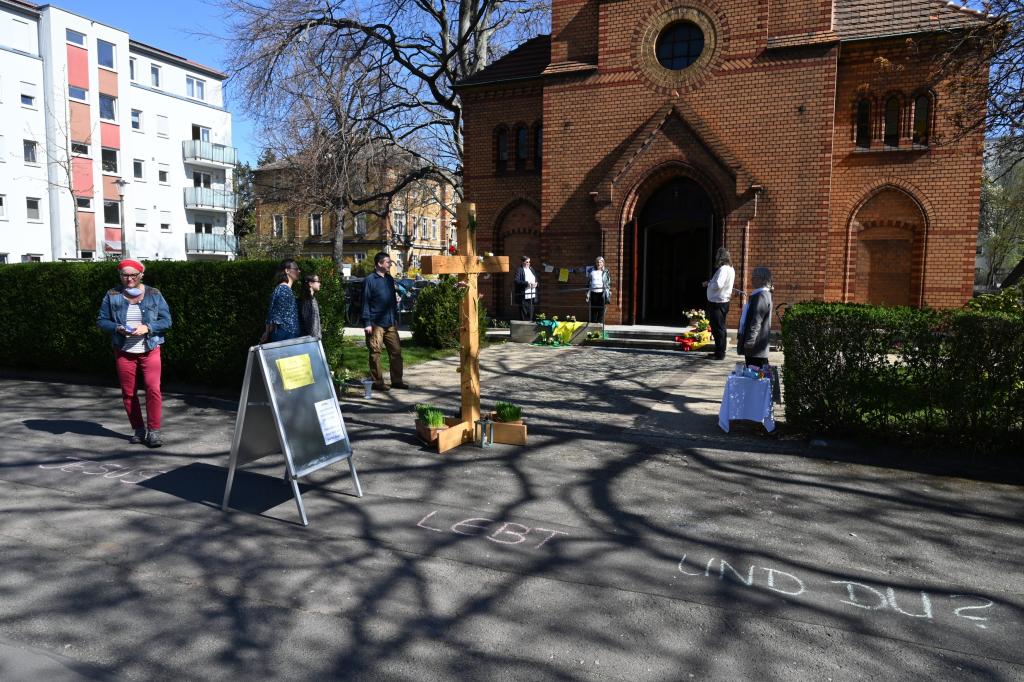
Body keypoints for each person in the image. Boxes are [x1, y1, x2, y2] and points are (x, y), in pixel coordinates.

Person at [96, 259, 173, 448]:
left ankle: (153, 432)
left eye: (133, 275)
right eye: (124, 275)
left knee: (153, 389)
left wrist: (148, 327)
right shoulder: (112, 295)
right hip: (124, 350)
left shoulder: (154, 294)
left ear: (141, 275)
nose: (129, 279)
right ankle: (139, 430)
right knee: (128, 393)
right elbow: (102, 320)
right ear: (120, 276)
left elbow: (167, 321)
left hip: (150, 348)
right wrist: (117, 328)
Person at [362, 252, 408, 391]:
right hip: (375, 323)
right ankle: (377, 382)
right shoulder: (369, 280)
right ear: (379, 264)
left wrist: (394, 318)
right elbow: (365, 302)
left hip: (390, 323)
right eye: (388, 262)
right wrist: (367, 323)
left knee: (396, 352)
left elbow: (392, 301)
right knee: (375, 353)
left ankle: (397, 380)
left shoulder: (389, 279)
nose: (390, 264)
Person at [703, 247, 736, 360]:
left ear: (720, 257)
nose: (716, 257)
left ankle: (720, 353)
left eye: (717, 255)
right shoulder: (731, 269)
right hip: (723, 301)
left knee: (718, 328)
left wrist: (709, 284)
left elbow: (718, 284)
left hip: (717, 302)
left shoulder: (723, 269)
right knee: (720, 328)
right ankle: (719, 351)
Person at [737, 266, 773, 368]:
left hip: (756, 346)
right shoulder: (760, 294)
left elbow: (756, 320)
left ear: (762, 279)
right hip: (756, 346)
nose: (751, 279)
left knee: (756, 374)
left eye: (754, 277)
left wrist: (750, 340)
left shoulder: (761, 296)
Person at [260, 259, 301, 343]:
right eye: (296, 269)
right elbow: (275, 315)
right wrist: (268, 332)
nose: (299, 271)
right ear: (287, 271)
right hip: (286, 335)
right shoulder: (283, 290)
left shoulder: (283, 289)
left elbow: (271, 313)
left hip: (286, 334)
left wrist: (267, 332)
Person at [586, 256, 612, 324]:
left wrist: (608, 291)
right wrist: (587, 292)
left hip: (602, 293)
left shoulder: (606, 271)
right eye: (597, 262)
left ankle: (599, 323)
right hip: (593, 292)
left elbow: (608, 283)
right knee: (593, 309)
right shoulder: (592, 271)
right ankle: (593, 324)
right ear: (596, 263)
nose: (599, 263)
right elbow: (588, 282)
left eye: (600, 262)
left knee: (601, 309)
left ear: (603, 263)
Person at [513, 255, 538, 321]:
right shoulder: (519, 270)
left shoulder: (531, 269)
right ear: (522, 262)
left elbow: (536, 279)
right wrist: (527, 283)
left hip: (532, 295)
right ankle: (523, 328)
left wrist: (536, 284)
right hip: (524, 295)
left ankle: (530, 325)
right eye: (527, 262)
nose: (528, 263)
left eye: (529, 262)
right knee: (523, 313)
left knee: (531, 312)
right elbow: (516, 281)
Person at [299, 273, 322, 340]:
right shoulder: (308, 301)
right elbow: (310, 322)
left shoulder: (311, 299)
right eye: (318, 281)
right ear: (310, 284)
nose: (319, 284)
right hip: (310, 340)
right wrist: (314, 339)